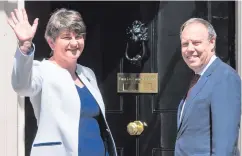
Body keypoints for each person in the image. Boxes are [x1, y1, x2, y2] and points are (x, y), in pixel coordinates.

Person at [8, 8, 117, 156]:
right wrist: (25, 44)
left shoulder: (87, 73)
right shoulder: (42, 70)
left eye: (78, 36)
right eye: (66, 37)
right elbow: (21, 86)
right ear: (51, 43)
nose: (74, 43)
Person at [175, 18, 241, 156]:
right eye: (185, 44)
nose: (190, 49)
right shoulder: (198, 77)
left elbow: (224, 145)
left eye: (196, 43)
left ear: (212, 42)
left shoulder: (224, 77)